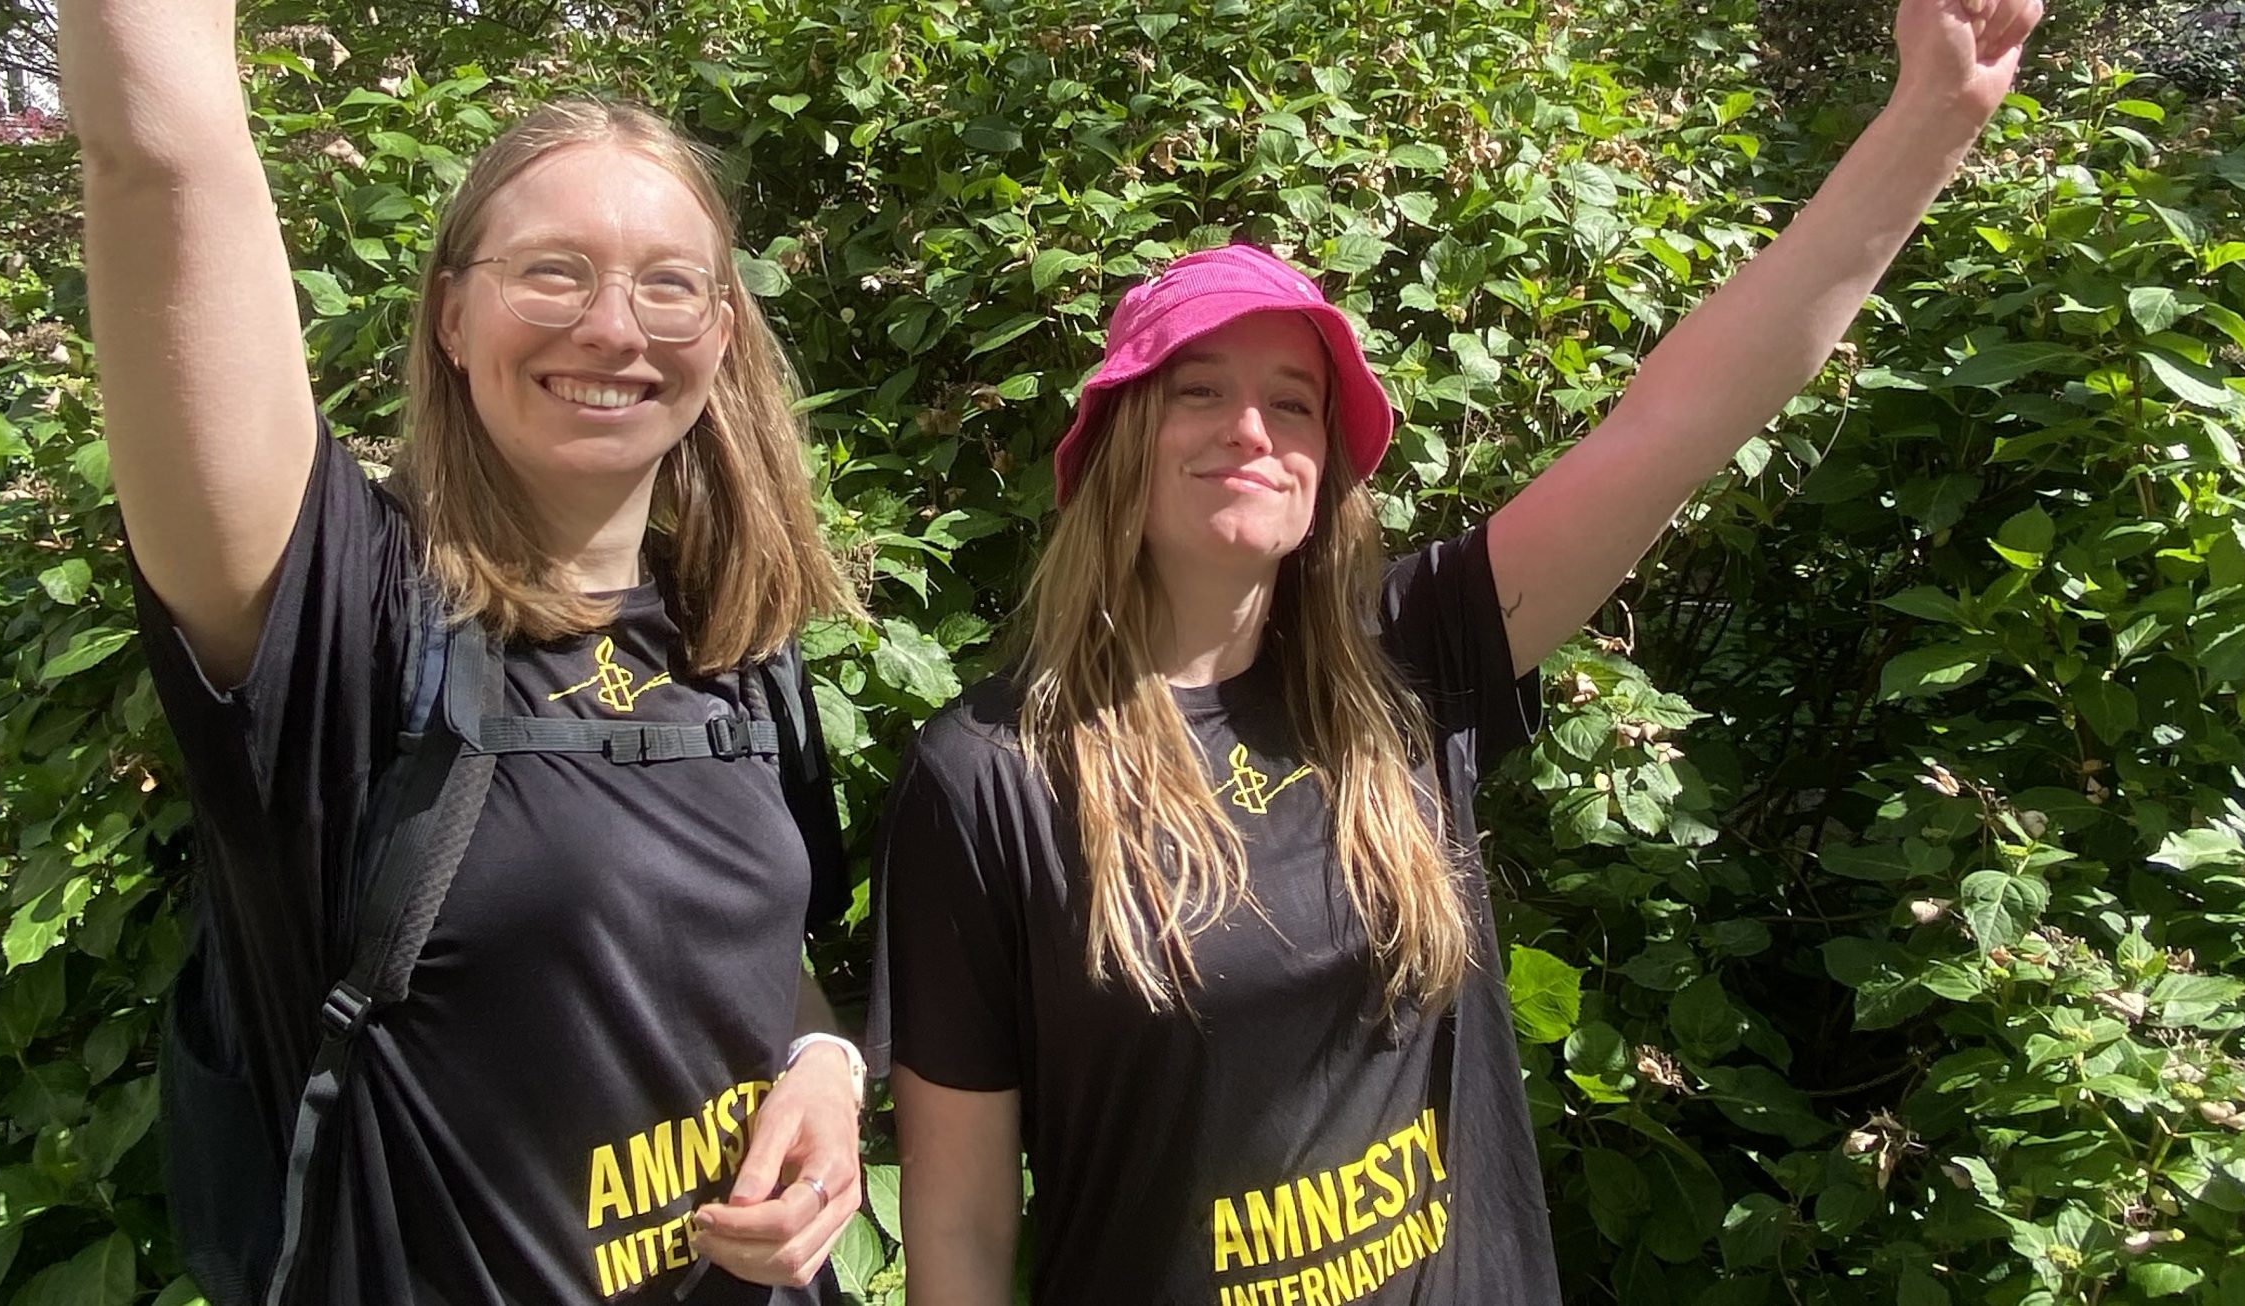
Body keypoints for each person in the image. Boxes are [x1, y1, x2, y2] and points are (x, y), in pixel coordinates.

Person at [874, 0, 2045, 1301]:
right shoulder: (987, 778)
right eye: (1197, 389)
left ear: (1328, 465)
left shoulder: (1409, 660)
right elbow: (964, 1222)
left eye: (1292, 400)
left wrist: (1933, 115)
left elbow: (1679, 422)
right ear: (1113, 444)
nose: (1249, 428)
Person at [63, 2, 869, 1300]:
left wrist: (828, 1069)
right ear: (450, 318)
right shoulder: (339, 621)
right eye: (552, 270)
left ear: (720, 335)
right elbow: (156, 150)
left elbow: (755, 966)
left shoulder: (739, 639)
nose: (614, 326)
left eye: (669, 281)